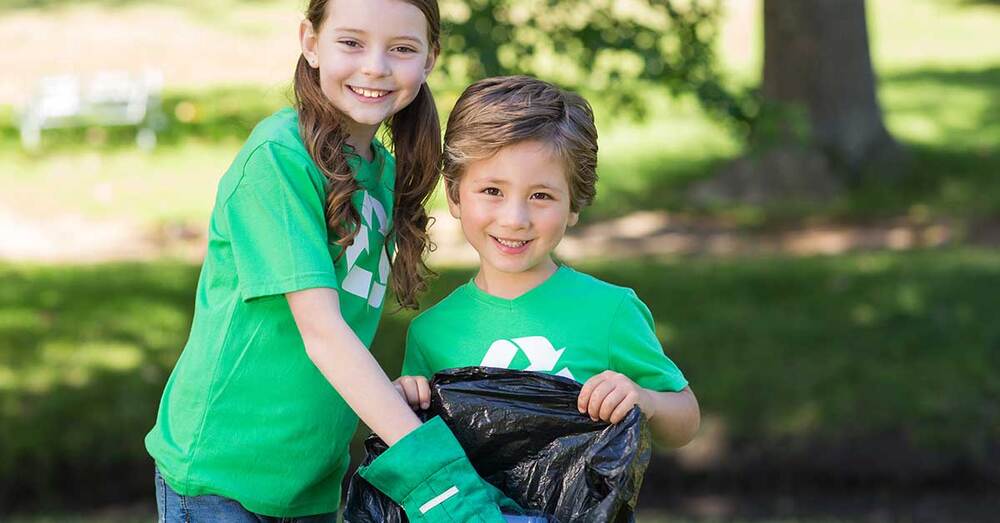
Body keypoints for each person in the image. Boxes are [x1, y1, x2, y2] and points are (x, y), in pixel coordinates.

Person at [144, 1, 514, 521]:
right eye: (351, 42)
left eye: (402, 49)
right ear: (311, 42)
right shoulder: (279, 157)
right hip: (222, 476)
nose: (375, 67)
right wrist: (442, 479)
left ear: (431, 58)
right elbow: (323, 332)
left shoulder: (383, 172)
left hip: (313, 480)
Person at [395, 76, 701, 448]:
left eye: (541, 195)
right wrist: (405, 398)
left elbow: (685, 422)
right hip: (470, 508)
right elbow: (418, 447)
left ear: (574, 205)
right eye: (492, 191)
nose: (514, 219)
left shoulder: (610, 312)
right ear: (455, 195)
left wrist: (646, 400)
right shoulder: (431, 332)